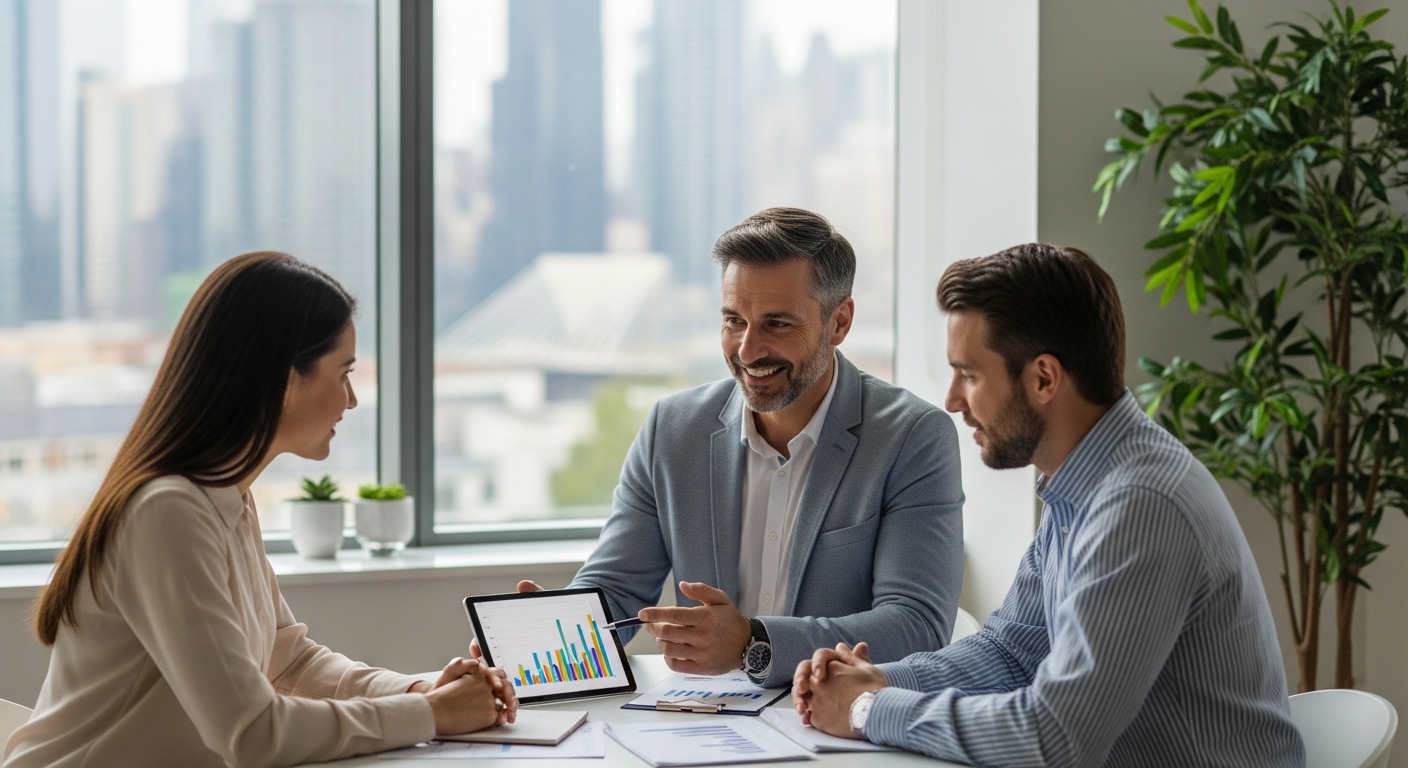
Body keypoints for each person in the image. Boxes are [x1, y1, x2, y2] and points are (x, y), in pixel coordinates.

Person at [792, 243, 1305, 767]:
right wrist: (875, 680)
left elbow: (1056, 739)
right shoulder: (1082, 487)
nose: (951, 400)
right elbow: (1010, 652)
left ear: (1043, 378)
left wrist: (868, 710)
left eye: (968, 374)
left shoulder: (1140, 506)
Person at [3, 253, 517, 768]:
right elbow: (253, 734)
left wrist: (422, 688)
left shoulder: (227, 500)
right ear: (281, 378)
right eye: (343, 374)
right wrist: (428, 714)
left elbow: (288, 660)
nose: (352, 400)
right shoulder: (167, 514)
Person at [477, 208, 964, 688]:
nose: (748, 350)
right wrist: (544, 636)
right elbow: (617, 591)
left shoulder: (913, 437)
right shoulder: (673, 429)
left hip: (842, 728)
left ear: (839, 322)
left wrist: (755, 642)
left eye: (777, 324)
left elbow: (916, 625)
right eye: (734, 320)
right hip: (709, 725)